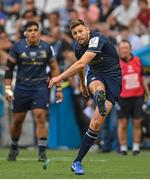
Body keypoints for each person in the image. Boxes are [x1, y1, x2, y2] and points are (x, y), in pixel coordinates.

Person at [49, 19, 122, 175]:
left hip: (114, 78)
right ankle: (98, 96)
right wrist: (82, 84)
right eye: (75, 33)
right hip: (96, 75)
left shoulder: (97, 38)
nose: (78, 35)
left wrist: (58, 78)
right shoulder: (78, 47)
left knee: (95, 124)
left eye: (80, 31)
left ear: (88, 30)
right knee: (97, 86)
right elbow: (82, 67)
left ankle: (77, 161)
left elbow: (82, 64)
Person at [4, 21, 63, 161]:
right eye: (30, 30)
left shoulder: (46, 47)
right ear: (26, 33)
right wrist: (7, 89)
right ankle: (14, 146)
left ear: (39, 32)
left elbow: (54, 68)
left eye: (35, 30)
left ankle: (42, 152)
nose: (33, 32)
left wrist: (59, 88)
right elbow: (9, 69)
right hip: (21, 87)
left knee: (40, 117)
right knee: (18, 120)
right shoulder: (17, 47)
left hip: (40, 87)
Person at [117, 40, 150, 155]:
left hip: (138, 97)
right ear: (119, 50)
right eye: (122, 48)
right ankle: (123, 148)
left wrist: (148, 95)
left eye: (126, 48)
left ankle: (136, 148)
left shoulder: (138, 61)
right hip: (122, 98)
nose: (124, 50)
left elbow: (143, 79)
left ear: (130, 49)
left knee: (137, 122)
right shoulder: (116, 64)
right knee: (123, 123)